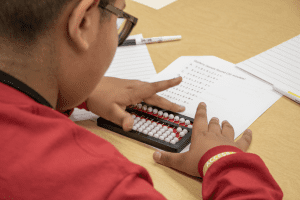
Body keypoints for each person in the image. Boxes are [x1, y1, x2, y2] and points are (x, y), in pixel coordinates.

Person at [0, 0, 283, 199]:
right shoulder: (104, 185)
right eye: (119, 17)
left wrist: (71, 88)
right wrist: (225, 162)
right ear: (84, 21)